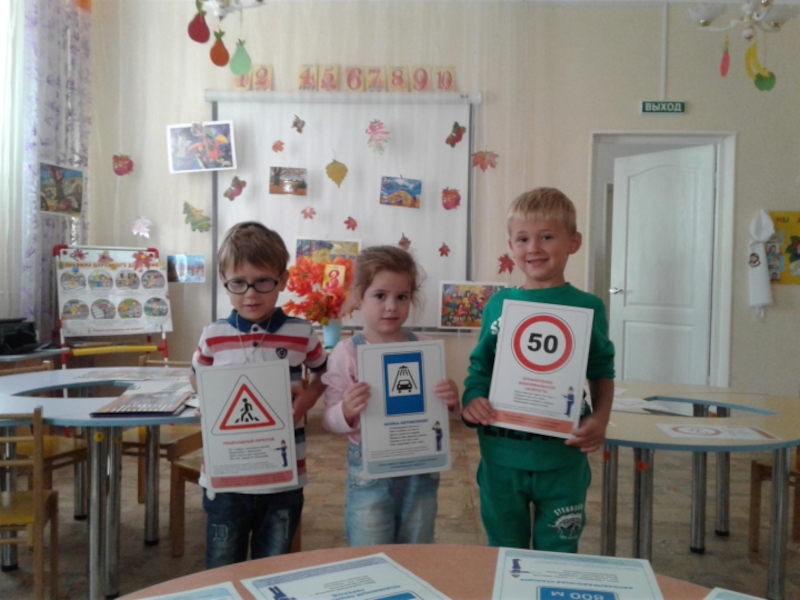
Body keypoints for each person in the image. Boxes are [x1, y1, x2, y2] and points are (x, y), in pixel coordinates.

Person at [462, 187, 615, 553]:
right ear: (511, 246)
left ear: (573, 242)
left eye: (546, 237)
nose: (533, 248)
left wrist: (601, 418)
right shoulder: (498, 304)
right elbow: (481, 366)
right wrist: (472, 399)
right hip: (501, 457)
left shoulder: (588, 306)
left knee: (558, 553)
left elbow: (601, 369)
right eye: (523, 239)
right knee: (504, 551)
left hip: (562, 456)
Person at [191, 221, 327, 568]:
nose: (250, 293)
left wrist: (308, 400)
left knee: (272, 568)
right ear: (224, 281)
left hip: (283, 476)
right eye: (238, 282)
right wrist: (209, 403)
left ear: (282, 280)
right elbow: (196, 375)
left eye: (263, 281)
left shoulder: (300, 332)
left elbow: (325, 372)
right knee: (222, 566)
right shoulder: (213, 334)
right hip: (225, 476)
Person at [321, 245, 460, 545]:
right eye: (380, 296)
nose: (391, 307)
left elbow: (442, 413)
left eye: (402, 297)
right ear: (359, 297)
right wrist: (345, 410)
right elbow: (329, 419)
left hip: (421, 468)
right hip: (369, 471)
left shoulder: (424, 347)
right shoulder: (347, 353)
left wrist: (451, 401)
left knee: (416, 548)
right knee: (370, 550)